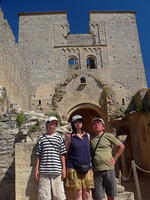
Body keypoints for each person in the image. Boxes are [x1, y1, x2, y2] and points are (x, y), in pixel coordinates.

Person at [90, 118, 125, 200]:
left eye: (98, 123)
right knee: (98, 196)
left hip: (108, 168)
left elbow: (121, 146)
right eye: (94, 124)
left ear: (103, 127)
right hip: (96, 170)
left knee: (110, 194)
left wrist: (115, 158)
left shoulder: (108, 136)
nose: (96, 125)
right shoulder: (90, 137)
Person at [34, 116, 67, 200]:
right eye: (52, 123)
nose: (53, 126)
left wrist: (64, 169)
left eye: (55, 124)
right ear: (47, 124)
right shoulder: (41, 138)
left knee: (59, 196)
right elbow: (39, 154)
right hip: (44, 171)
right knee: (44, 196)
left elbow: (62, 154)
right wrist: (36, 169)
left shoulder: (59, 137)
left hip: (57, 170)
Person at [65, 115, 94, 200]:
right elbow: (66, 152)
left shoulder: (87, 136)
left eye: (80, 121)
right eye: (76, 122)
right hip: (74, 167)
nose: (78, 123)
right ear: (73, 124)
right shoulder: (70, 137)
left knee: (87, 192)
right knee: (78, 193)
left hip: (87, 167)